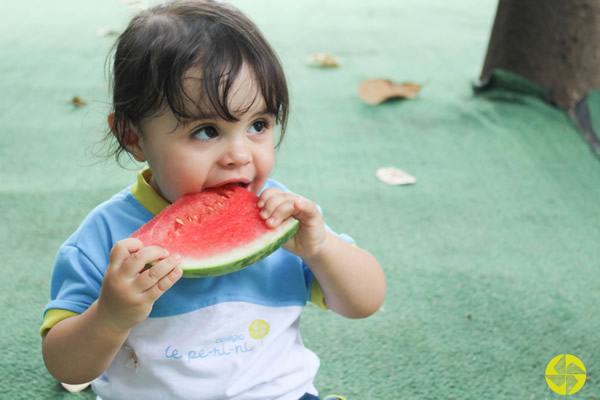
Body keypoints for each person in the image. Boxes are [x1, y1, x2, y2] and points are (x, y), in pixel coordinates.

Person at [40, 1, 386, 399]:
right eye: (206, 131)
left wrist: (322, 249)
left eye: (259, 125)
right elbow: (64, 364)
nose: (240, 155)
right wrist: (109, 317)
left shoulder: (283, 217)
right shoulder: (105, 237)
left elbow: (365, 301)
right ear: (133, 137)